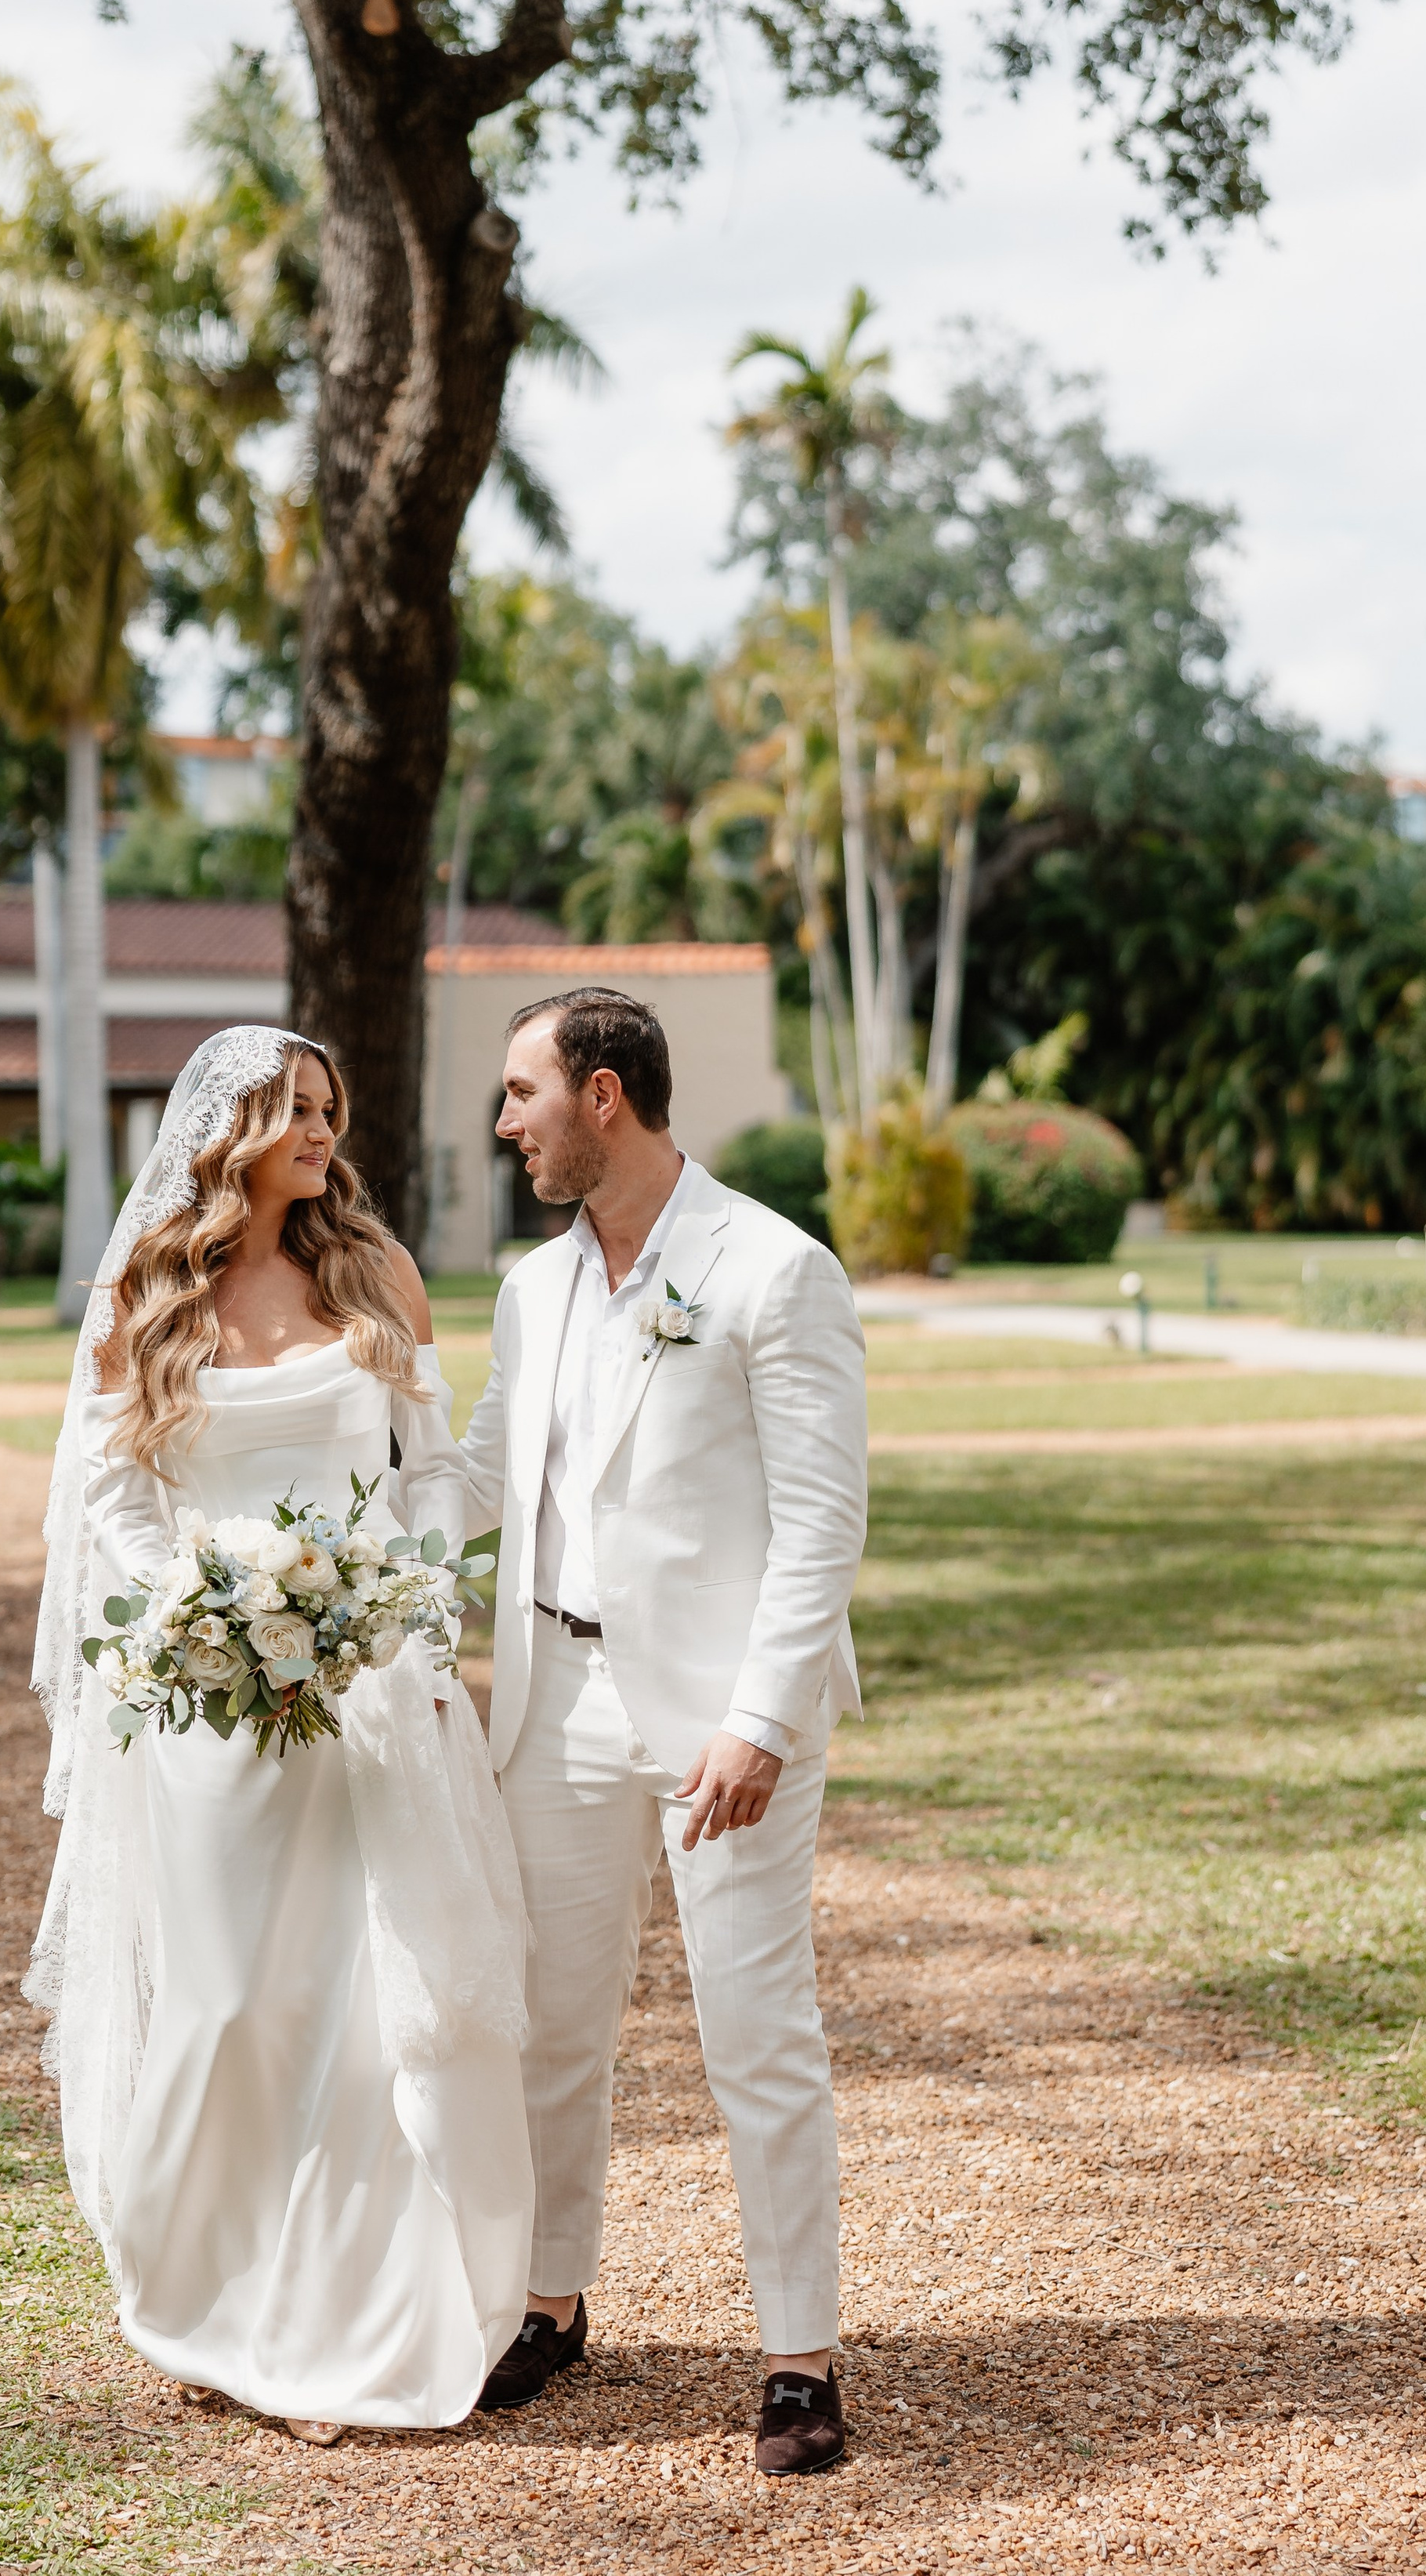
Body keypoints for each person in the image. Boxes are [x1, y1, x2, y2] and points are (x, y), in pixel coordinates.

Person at [27, 1024, 533, 2438]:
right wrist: (196, 1617)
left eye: (328, 1108)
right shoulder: (146, 1292)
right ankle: (211, 2296)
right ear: (228, 1130)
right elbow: (114, 1496)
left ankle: (339, 2329)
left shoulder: (375, 1274)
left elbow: (428, 1477)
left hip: (367, 1696)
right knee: (233, 2004)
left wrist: (410, 1617)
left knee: (363, 2013)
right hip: (209, 1717)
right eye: (295, 1109)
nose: (320, 1131)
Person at [460, 987, 867, 2476]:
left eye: (523, 1093)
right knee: (551, 2019)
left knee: (756, 2030)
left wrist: (761, 1722)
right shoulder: (531, 1290)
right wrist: (310, 1533)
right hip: (556, 1698)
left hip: (721, 1712)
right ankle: (549, 2300)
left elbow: (822, 1523)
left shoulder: (775, 1267)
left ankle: (799, 2356)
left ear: (604, 1095)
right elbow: (482, 1475)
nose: (506, 1122)